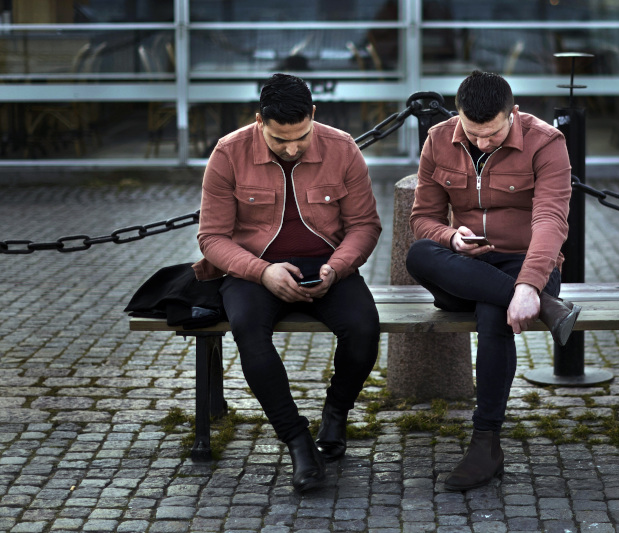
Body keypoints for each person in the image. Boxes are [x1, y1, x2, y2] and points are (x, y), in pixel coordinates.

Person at [192, 73, 382, 493]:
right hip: (253, 268)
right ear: (259, 120)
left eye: (302, 136)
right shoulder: (228, 153)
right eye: (280, 140)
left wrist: (337, 267)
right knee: (248, 331)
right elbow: (211, 237)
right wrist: (263, 272)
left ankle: (335, 415)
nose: (293, 148)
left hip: (326, 264)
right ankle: (297, 442)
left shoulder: (342, 148)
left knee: (365, 327)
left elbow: (365, 226)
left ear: (314, 115)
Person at [405, 70, 581, 491]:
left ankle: (485, 443)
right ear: (459, 115)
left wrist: (528, 284)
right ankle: (550, 309)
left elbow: (551, 220)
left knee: (493, 312)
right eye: (473, 132)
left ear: (512, 113)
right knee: (419, 255)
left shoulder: (546, 143)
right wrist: (451, 237)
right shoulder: (438, 139)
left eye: (492, 134)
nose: (482, 143)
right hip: (466, 268)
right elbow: (422, 219)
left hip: (528, 266)